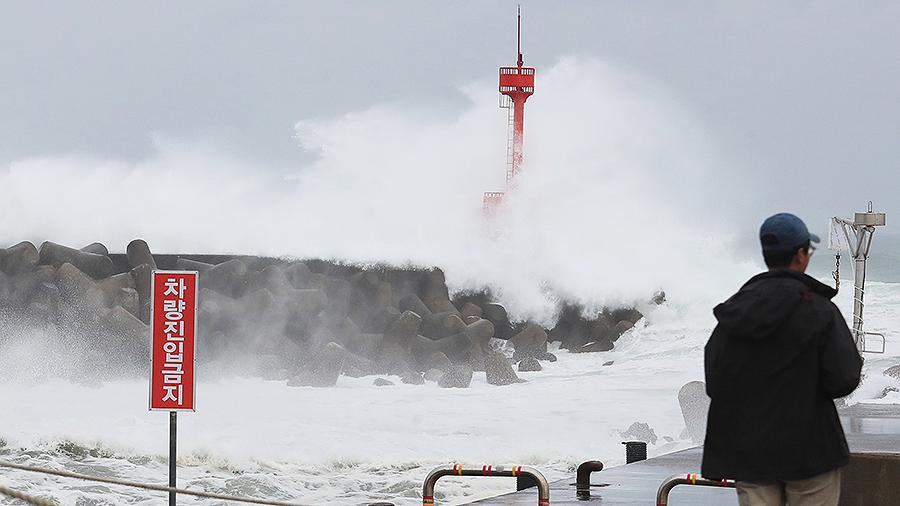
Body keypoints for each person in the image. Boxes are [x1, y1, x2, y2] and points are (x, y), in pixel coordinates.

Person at [701, 213, 863, 506]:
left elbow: (715, 381)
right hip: (811, 450)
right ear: (800, 255)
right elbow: (845, 378)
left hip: (749, 452)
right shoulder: (819, 310)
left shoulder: (736, 311)